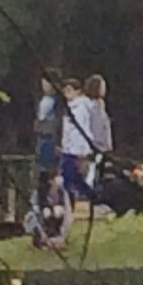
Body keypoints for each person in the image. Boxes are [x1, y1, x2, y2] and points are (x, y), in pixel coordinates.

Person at [59, 77, 96, 207]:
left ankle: (73, 200)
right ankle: (91, 195)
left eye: (69, 90)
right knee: (73, 178)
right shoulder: (68, 107)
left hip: (77, 149)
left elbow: (81, 129)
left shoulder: (81, 107)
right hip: (68, 148)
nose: (66, 93)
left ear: (77, 91)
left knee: (69, 177)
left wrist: (82, 150)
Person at [34, 72, 62, 177]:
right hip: (43, 138)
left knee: (50, 169)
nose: (44, 87)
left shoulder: (57, 102)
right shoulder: (44, 100)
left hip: (52, 139)